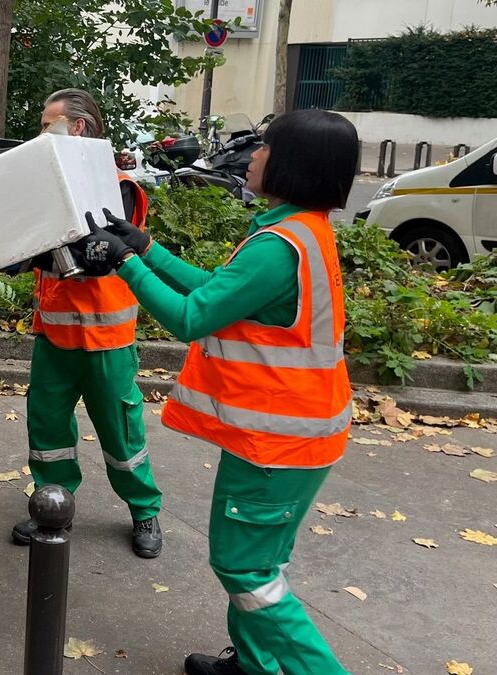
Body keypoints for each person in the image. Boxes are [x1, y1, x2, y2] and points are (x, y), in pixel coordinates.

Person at [68, 109, 358, 675]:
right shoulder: (298, 230)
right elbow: (216, 290)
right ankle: (252, 666)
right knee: (259, 563)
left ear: (292, 165)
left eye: (264, 149)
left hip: (277, 441)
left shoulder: (280, 246)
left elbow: (190, 316)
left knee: (247, 571)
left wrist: (124, 263)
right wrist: (146, 248)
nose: (252, 157)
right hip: (288, 432)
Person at [12, 88, 164, 559]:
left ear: (77, 127)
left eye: (47, 122)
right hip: (56, 336)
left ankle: (144, 511)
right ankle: (53, 507)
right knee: (48, 429)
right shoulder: (51, 183)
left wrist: (34, 251)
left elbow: (96, 254)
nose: (41, 132)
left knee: (121, 433)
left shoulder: (114, 184)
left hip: (106, 338)